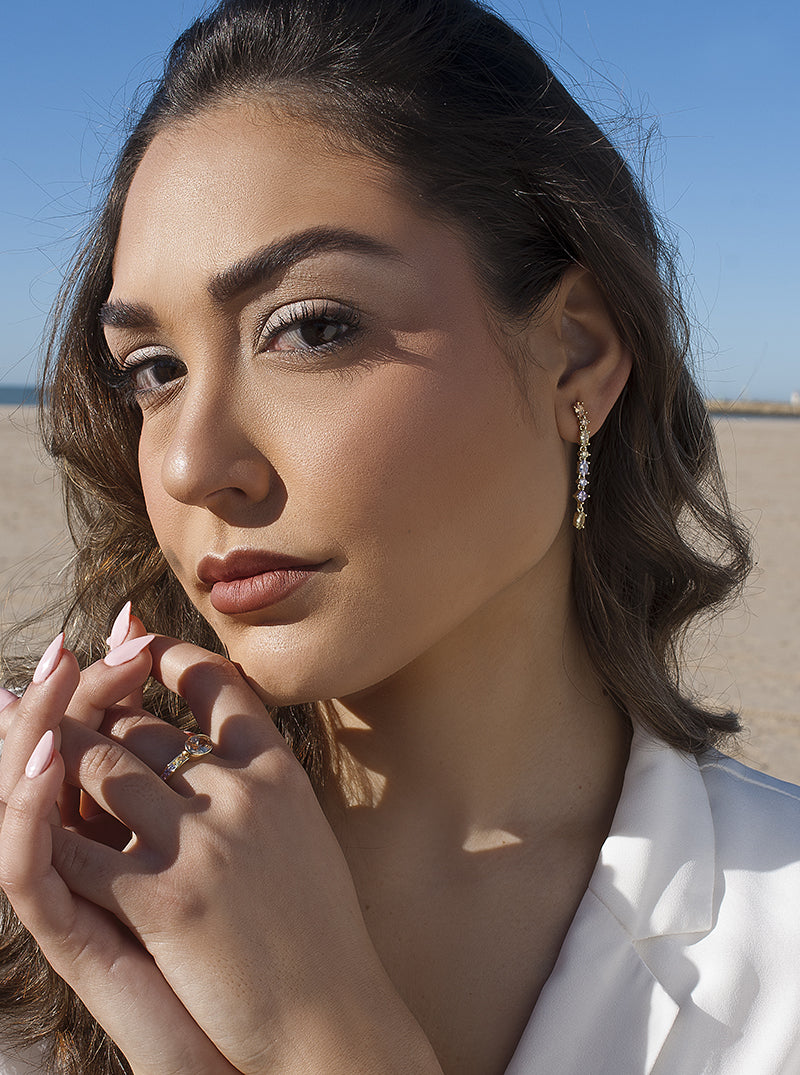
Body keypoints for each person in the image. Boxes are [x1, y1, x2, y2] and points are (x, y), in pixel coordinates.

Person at [0, 1, 798, 1072]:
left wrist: (324, 1041)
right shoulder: (51, 888)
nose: (191, 463)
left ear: (574, 355)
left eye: (311, 327)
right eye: (155, 369)